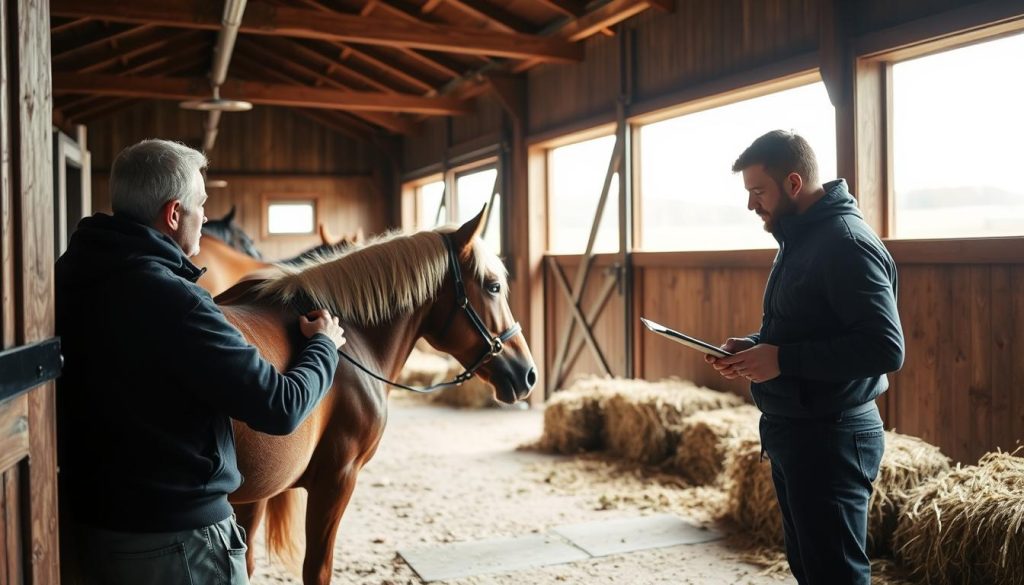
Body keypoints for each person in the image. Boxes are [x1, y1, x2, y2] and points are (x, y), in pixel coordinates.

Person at [55, 139, 346, 585]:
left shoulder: (67, 276)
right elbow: (280, 406)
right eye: (201, 205)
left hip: (94, 528)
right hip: (182, 540)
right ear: (174, 215)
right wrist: (324, 346)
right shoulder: (175, 299)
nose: (206, 217)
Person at [706, 130, 904, 584]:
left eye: (759, 191)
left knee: (835, 575)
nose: (752, 205)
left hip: (832, 435)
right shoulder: (801, 237)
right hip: (798, 430)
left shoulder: (846, 244)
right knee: (811, 570)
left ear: (793, 183)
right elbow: (802, 327)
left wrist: (782, 360)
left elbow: (885, 347)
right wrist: (754, 347)